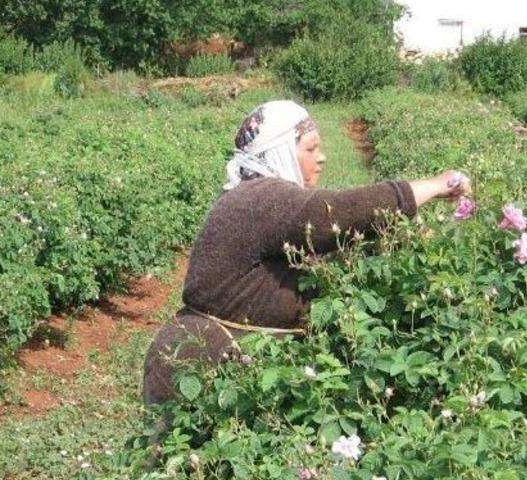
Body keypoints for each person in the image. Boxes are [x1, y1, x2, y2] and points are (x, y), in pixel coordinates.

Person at [142, 100, 469, 405]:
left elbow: (329, 249)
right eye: (311, 148)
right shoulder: (259, 198)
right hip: (203, 372)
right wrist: (435, 186)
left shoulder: (253, 197)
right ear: (280, 152)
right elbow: (333, 215)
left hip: (216, 365)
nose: (322, 157)